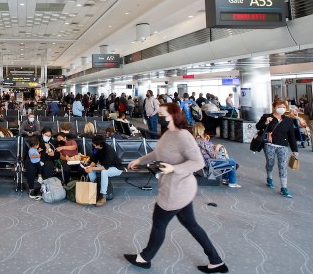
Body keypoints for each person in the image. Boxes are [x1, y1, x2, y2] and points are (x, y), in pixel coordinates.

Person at [125, 103, 228, 273]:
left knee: (159, 224)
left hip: (177, 189)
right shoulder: (167, 134)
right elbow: (158, 153)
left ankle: (144, 258)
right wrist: (140, 160)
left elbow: (198, 162)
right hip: (176, 188)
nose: (159, 117)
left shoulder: (183, 136)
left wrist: (174, 168)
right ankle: (216, 260)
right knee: (191, 225)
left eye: (162, 114)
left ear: (173, 115)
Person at [256, 99, 298, 198]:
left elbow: (291, 136)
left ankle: (284, 187)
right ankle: (269, 177)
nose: (282, 109)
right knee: (270, 162)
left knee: (282, 165)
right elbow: (258, 127)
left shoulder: (288, 120)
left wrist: (295, 150)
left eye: (284, 107)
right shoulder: (267, 117)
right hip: (269, 144)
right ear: (274, 107)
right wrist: (266, 122)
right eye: (279, 107)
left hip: (283, 145)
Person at [193, 123, 240, 188]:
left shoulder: (194, 141)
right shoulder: (202, 142)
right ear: (201, 131)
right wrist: (217, 149)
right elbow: (213, 155)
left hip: (205, 163)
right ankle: (232, 182)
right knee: (232, 161)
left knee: (227, 160)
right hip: (210, 163)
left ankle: (225, 179)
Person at [84, 135, 123, 207]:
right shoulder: (95, 148)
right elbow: (94, 160)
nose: (92, 144)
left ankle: (103, 195)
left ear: (98, 145)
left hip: (116, 167)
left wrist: (92, 168)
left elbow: (105, 167)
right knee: (90, 171)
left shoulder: (108, 150)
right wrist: (90, 167)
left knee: (104, 172)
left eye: (93, 143)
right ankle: (94, 190)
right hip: (104, 166)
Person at [25, 128, 56, 199]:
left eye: (49, 136)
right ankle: (31, 188)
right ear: (42, 134)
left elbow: (56, 154)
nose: (48, 137)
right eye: (46, 135)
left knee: (48, 165)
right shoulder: (35, 139)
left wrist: (53, 154)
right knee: (30, 165)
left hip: (47, 159)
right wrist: (44, 146)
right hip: (33, 158)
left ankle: (45, 187)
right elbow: (33, 147)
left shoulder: (52, 142)